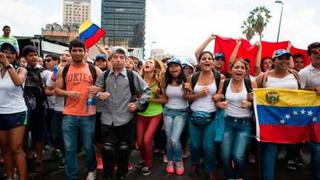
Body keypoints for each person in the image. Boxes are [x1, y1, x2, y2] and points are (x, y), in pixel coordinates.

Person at [94, 46, 151, 180]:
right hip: (107, 119)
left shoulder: (132, 75)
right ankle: (107, 175)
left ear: (126, 60)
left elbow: (147, 92)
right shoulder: (105, 75)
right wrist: (99, 94)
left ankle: (122, 175)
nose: (118, 60)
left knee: (124, 149)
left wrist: (137, 104)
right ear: (111, 59)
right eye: (115, 57)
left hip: (126, 118)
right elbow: (94, 91)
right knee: (107, 150)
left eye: (121, 57)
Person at [55, 39, 102, 180]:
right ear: (70, 52)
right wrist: (67, 93)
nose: (77, 53)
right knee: (69, 149)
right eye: (74, 50)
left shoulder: (95, 69)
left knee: (88, 147)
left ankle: (92, 169)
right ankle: (71, 176)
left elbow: (104, 87)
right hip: (69, 114)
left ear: (85, 52)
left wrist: (98, 89)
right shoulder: (64, 69)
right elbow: (56, 90)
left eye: (80, 50)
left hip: (88, 115)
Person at [255, 49, 301, 180]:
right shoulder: (264, 76)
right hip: (272, 121)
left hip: (292, 121)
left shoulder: (295, 75)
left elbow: (303, 92)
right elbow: (252, 88)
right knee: (270, 151)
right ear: (274, 61)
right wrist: (251, 96)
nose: (285, 61)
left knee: (291, 150)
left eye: (287, 58)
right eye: (281, 58)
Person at [184, 50, 224, 180]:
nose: (207, 60)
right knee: (195, 145)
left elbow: (221, 95)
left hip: (211, 117)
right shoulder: (192, 77)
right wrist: (198, 95)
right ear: (199, 61)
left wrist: (218, 96)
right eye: (204, 58)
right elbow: (186, 97)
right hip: (193, 116)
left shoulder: (219, 77)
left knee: (209, 147)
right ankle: (195, 165)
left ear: (212, 62)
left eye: (209, 58)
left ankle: (210, 169)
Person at [216, 59, 257, 179]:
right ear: (231, 70)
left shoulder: (251, 83)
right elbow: (218, 98)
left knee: (238, 156)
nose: (239, 70)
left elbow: (259, 103)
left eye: (242, 68)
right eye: (236, 67)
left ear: (246, 71)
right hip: (227, 122)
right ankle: (229, 176)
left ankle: (239, 176)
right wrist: (219, 104)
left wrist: (251, 103)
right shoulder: (225, 82)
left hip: (244, 124)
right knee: (225, 156)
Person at [0, 42, 27, 180]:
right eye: (4, 51)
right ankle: (10, 177)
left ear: (16, 55)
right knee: (5, 148)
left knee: (16, 148)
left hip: (17, 112)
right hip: (1, 113)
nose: (7, 54)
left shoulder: (20, 70)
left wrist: (7, 64)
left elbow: (18, 82)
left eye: (11, 52)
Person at [22, 45, 51, 172]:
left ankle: (39, 159)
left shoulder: (44, 72)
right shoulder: (20, 71)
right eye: (30, 55)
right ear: (25, 57)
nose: (34, 57)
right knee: (23, 134)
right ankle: (28, 155)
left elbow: (50, 88)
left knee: (39, 134)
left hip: (40, 107)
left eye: (35, 54)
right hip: (23, 108)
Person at [136, 58, 166, 176]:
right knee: (139, 142)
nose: (147, 63)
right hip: (140, 114)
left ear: (155, 67)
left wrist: (152, 98)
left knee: (147, 140)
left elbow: (164, 99)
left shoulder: (159, 81)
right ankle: (144, 159)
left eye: (151, 62)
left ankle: (148, 164)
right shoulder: (138, 79)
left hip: (155, 114)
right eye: (146, 62)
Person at [45, 50, 72, 168]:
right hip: (58, 109)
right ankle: (65, 155)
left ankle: (69, 158)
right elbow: (47, 90)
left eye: (67, 55)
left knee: (70, 138)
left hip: (72, 111)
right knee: (56, 136)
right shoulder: (55, 72)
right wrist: (57, 91)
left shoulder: (77, 71)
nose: (64, 56)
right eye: (63, 55)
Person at [298, 42, 320, 180]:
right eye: (315, 52)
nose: (319, 55)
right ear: (310, 55)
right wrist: (313, 90)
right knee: (317, 148)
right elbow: (297, 92)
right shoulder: (304, 73)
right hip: (313, 117)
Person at [163, 59, 188, 175]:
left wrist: (188, 89)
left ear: (181, 68)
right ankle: (170, 160)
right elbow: (164, 99)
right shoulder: (165, 81)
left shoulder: (186, 81)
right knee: (169, 140)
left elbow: (188, 97)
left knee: (174, 139)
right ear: (168, 69)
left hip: (181, 113)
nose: (173, 68)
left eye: (176, 66)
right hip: (167, 112)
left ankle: (178, 161)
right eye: (171, 66)